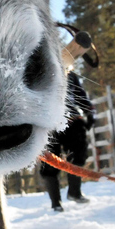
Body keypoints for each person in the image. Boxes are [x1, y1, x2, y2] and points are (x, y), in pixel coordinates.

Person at [39, 71, 95, 211]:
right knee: (49, 162)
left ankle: (74, 192)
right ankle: (56, 203)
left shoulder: (69, 73)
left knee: (78, 155)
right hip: (48, 123)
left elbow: (79, 93)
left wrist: (88, 112)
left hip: (72, 120)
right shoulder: (36, 68)